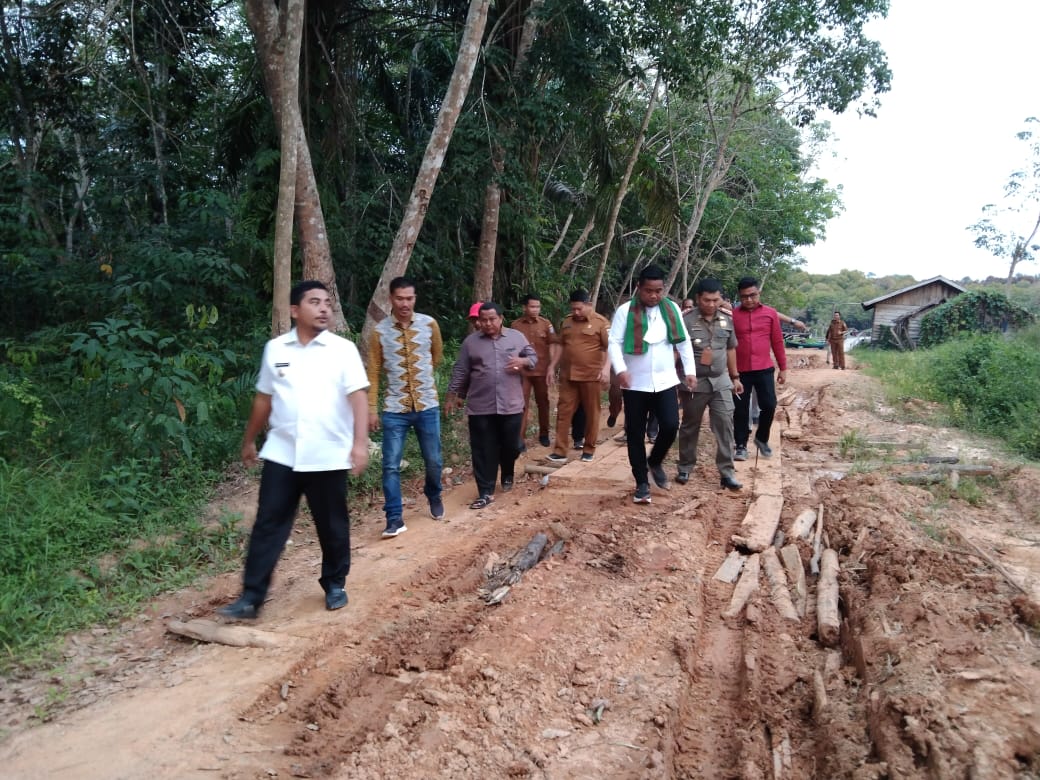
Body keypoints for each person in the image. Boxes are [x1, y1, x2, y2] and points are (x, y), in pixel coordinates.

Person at [218, 281, 369, 620]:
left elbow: (358, 396)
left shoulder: (342, 350)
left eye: (327, 302)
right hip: (282, 454)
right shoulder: (276, 349)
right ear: (294, 310)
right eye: (314, 302)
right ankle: (251, 597)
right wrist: (249, 439)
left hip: (327, 454)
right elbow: (263, 398)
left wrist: (359, 444)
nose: (324, 308)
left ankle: (334, 584)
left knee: (331, 525)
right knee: (268, 524)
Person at [608, 265, 697, 504]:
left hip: (666, 380)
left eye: (659, 291)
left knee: (670, 426)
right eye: (649, 291)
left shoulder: (672, 310)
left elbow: (684, 342)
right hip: (635, 383)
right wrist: (621, 369)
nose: (654, 296)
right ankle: (641, 484)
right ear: (639, 288)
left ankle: (655, 461)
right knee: (635, 434)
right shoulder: (625, 311)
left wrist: (690, 371)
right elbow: (614, 343)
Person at [367, 276, 445, 539]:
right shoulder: (379, 332)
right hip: (394, 409)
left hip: (427, 405)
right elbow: (374, 371)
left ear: (415, 298)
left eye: (409, 298)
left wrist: (421, 379)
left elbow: (437, 356)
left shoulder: (429, 325)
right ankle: (393, 517)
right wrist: (371, 408)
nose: (404, 303)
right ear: (391, 299)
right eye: (399, 298)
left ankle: (433, 493)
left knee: (433, 461)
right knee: (390, 465)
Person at [445, 303, 536, 509]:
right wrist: (453, 395)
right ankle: (485, 490)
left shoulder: (516, 337)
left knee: (511, 445)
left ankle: (508, 471)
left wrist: (522, 362)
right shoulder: (471, 343)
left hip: (511, 404)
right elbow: (461, 371)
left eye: (492, 319)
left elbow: (533, 358)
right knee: (482, 448)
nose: (487, 323)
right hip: (480, 405)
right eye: (483, 320)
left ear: (501, 318)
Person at [676, 279, 743, 491]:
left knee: (724, 424)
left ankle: (727, 472)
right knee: (690, 425)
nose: (711, 304)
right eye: (707, 300)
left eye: (716, 300)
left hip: (720, 380)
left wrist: (735, 377)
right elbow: (677, 351)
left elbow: (731, 349)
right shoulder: (685, 320)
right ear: (698, 298)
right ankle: (685, 466)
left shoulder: (727, 320)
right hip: (695, 382)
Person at [546, 289, 610, 463]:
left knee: (592, 413)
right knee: (564, 412)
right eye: (573, 309)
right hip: (568, 377)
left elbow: (610, 347)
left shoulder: (601, 323)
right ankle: (560, 451)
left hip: (591, 376)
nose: (576, 312)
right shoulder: (567, 322)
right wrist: (552, 367)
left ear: (589, 305)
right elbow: (560, 345)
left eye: (579, 309)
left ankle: (588, 449)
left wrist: (605, 369)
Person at [731, 276, 788, 461]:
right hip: (740, 372)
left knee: (769, 405)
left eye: (752, 295)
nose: (748, 300)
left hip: (764, 369)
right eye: (744, 296)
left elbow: (777, 341)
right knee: (740, 409)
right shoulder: (733, 315)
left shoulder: (770, 314)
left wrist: (783, 367)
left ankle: (762, 439)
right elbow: (727, 345)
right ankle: (740, 445)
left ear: (758, 293)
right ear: (739, 296)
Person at [510, 294, 559, 449]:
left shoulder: (546, 324)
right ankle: (520, 438)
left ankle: (544, 434)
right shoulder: (515, 325)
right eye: (532, 306)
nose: (535, 309)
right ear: (524, 307)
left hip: (541, 370)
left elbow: (553, 344)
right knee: (521, 404)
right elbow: (512, 347)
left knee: (543, 403)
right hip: (522, 372)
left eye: (538, 307)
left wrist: (551, 366)